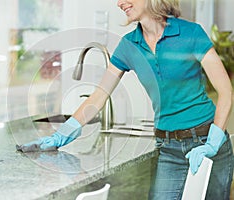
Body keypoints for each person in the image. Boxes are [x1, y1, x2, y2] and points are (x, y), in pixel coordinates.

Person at [17, 0, 233, 199]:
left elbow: (225, 91)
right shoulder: (129, 45)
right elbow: (99, 95)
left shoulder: (191, 33)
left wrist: (213, 142)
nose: (120, 3)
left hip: (206, 139)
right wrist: (61, 134)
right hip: (169, 148)